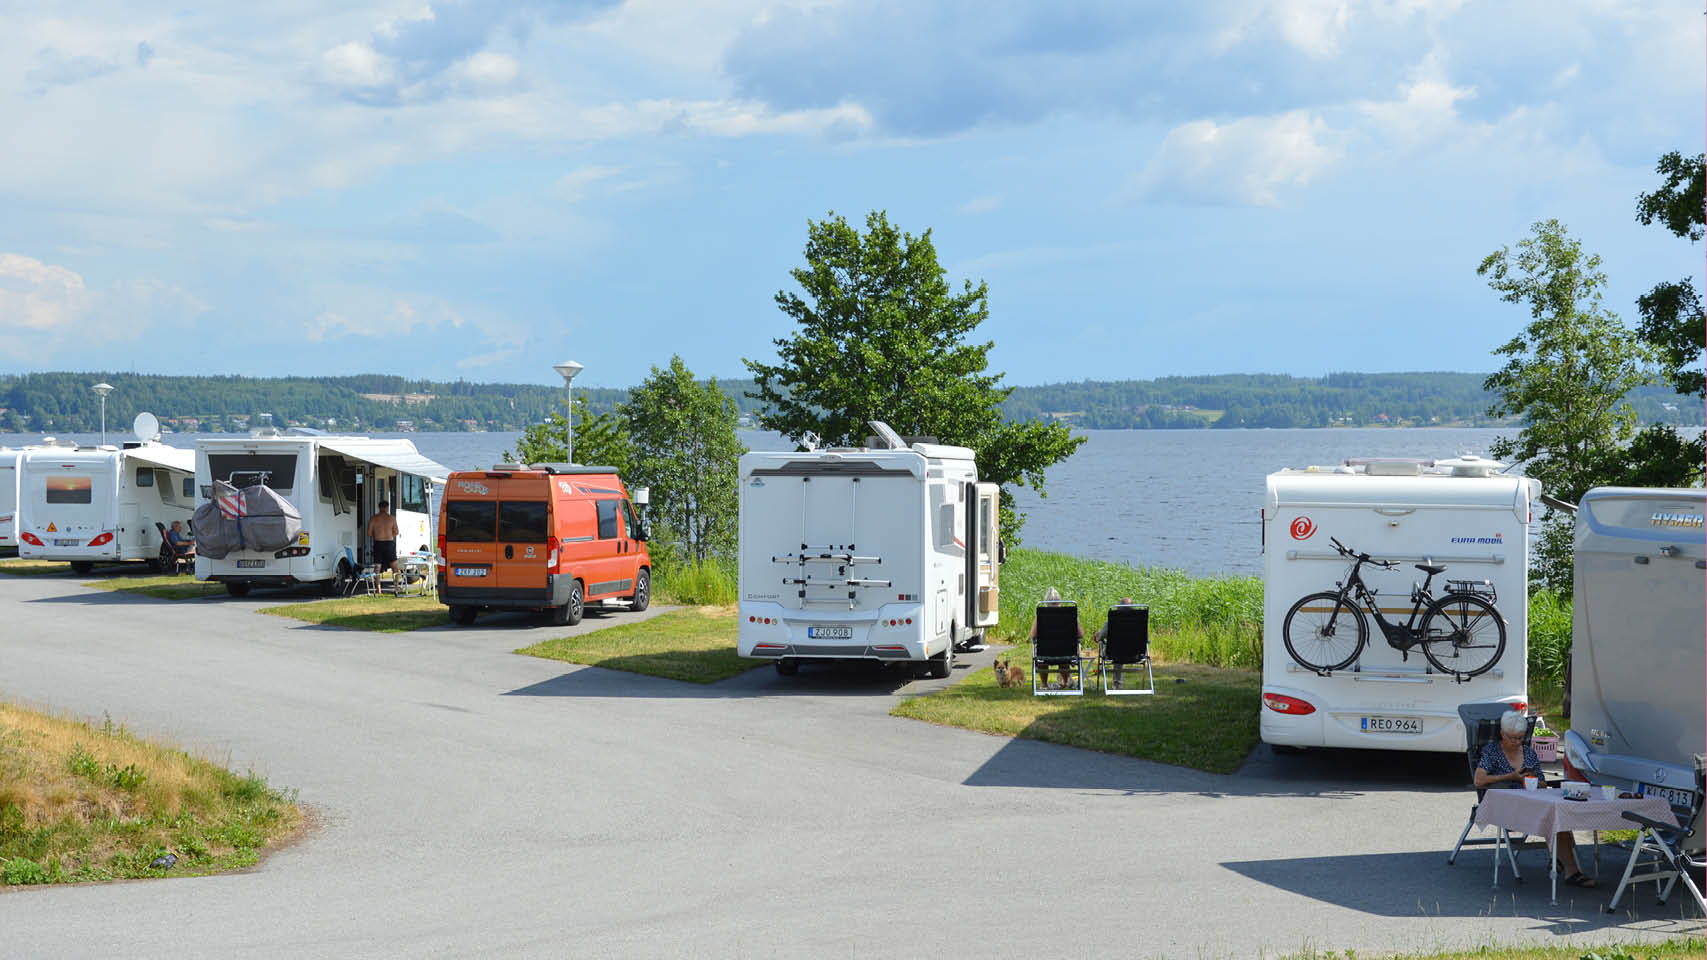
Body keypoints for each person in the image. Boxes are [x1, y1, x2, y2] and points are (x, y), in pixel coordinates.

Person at [1475, 710, 1596, 887]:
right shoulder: (1492, 751)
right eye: (1513, 738)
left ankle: (1565, 865)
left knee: (1559, 815)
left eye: (1520, 738)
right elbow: (1479, 780)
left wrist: (1532, 779)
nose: (1517, 742)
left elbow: (1542, 784)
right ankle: (1569, 868)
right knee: (1556, 819)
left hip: (1532, 802)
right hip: (1507, 807)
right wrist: (1512, 776)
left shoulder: (1529, 753)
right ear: (1502, 734)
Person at [1029, 586, 1083, 689]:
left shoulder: (1041, 615)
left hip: (1045, 653)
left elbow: (1033, 635)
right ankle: (1066, 681)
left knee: (1041, 655)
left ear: (1046, 602)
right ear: (1060, 601)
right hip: (1066, 653)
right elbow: (1080, 634)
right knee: (1064, 652)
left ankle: (1044, 684)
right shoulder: (1069, 614)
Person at [1095, 597, 1136, 686]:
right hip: (1136, 652)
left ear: (1118, 608)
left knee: (1118, 650)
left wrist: (1098, 636)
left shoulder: (1112, 622)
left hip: (1114, 653)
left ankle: (1117, 684)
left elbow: (1099, 637)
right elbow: (1147, 639)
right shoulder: (1139, 622)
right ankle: (1118, 683)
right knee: (1121, 648)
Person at [366, 500, 401, 576]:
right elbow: (396, 532)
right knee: (394, 567)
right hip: (389, 543)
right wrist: (389, 534)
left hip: (378, 543)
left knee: (377, 568)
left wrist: (377, 535)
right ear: (387, 508)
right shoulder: (392, 518)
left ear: (379, 508)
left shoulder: (373, 518)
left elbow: (369, 533)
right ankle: (396, 586)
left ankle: (378, 588)